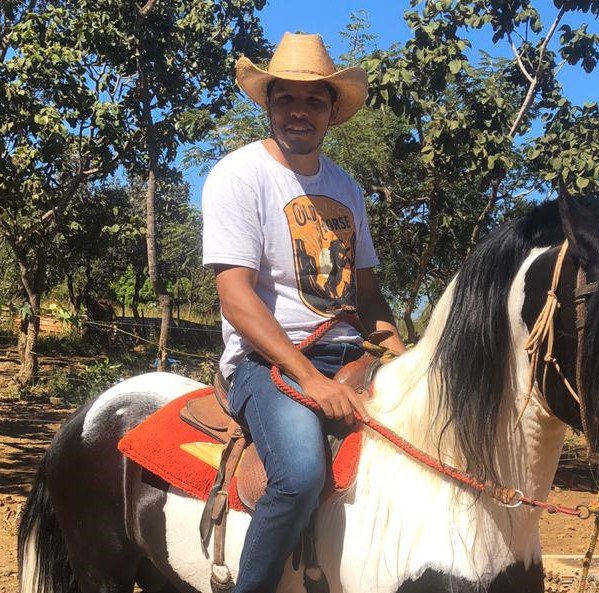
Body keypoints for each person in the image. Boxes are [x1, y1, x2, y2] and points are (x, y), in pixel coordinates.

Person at [201, 33, 406, 593]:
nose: (299, 111)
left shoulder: (346, 188)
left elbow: (367, 298)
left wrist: (404, 358)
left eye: (313, 100)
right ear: (267, 105)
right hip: (266, 362)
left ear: (332, 111)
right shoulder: (238, 177)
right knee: (298, 473)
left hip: (350, 353)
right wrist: (311, 378)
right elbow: (236, 299)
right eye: (285, 98)